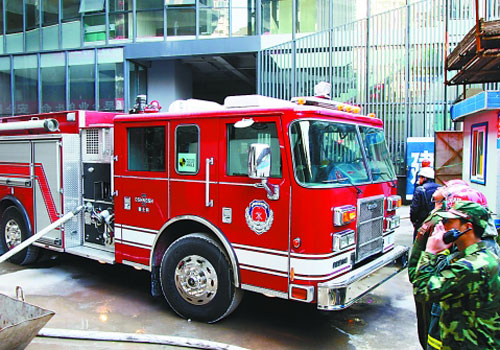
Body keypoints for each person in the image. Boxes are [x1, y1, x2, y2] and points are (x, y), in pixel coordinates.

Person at [412, 201, 500, 350]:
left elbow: (422, 291)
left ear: (467, 227)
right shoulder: (482, 256)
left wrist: (430, 252)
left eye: (448, 221)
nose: (442, 226)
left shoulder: (471, 266)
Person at [410, 167, 441, 239]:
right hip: (436, 222)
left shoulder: (420, 190)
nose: (419, 180)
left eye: (420, 177)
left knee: (419, 245)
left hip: (421, 223)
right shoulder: (440, 189)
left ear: (425, 178)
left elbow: (414, 208)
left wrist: (414, 221)